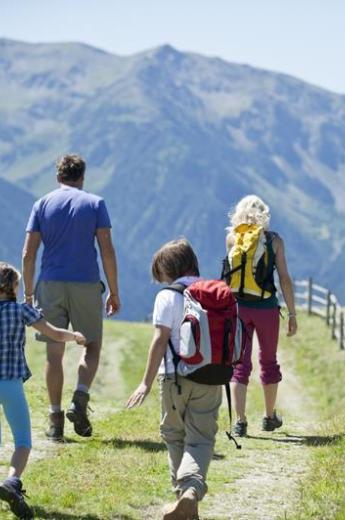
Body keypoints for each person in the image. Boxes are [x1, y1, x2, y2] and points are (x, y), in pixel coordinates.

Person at [22, 154, 121, 442]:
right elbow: (107, 250)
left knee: (54, 352)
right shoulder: (95, 204)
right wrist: (114, 291)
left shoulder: (41, 204)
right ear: (82, 177)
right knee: (90, 345)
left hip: (50, 283)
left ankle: (55, 420)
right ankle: (80, 396)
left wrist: (28, 293)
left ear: (58, 177)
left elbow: (28, 254)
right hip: (87, 283)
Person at [127, 239, 221, 520]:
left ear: (169, 270)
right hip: (212, 376)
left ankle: (184, 494)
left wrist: (145, 381)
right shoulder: (215, 293)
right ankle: (190, 495)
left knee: (174, 437)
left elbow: (159, 341)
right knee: (201, 440)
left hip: (174, 377)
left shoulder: (167, 296)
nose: (162, 281)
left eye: (162, 275)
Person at [0, 263, 85, 519]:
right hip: (10, 382)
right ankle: (12, 482)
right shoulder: (21, 310)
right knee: (23, 440)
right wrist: (76, 336)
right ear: (14, 287)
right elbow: (55, 334)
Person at [223, 194, 297, 437]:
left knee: (239, 364)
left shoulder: (233, 237)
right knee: (269, 361)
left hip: (239, 308)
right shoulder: (274, 241)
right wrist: (292, 313)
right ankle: (268, 416)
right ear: (264, 214)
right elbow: (284, 278)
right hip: (266, 308)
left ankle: (240, 421)